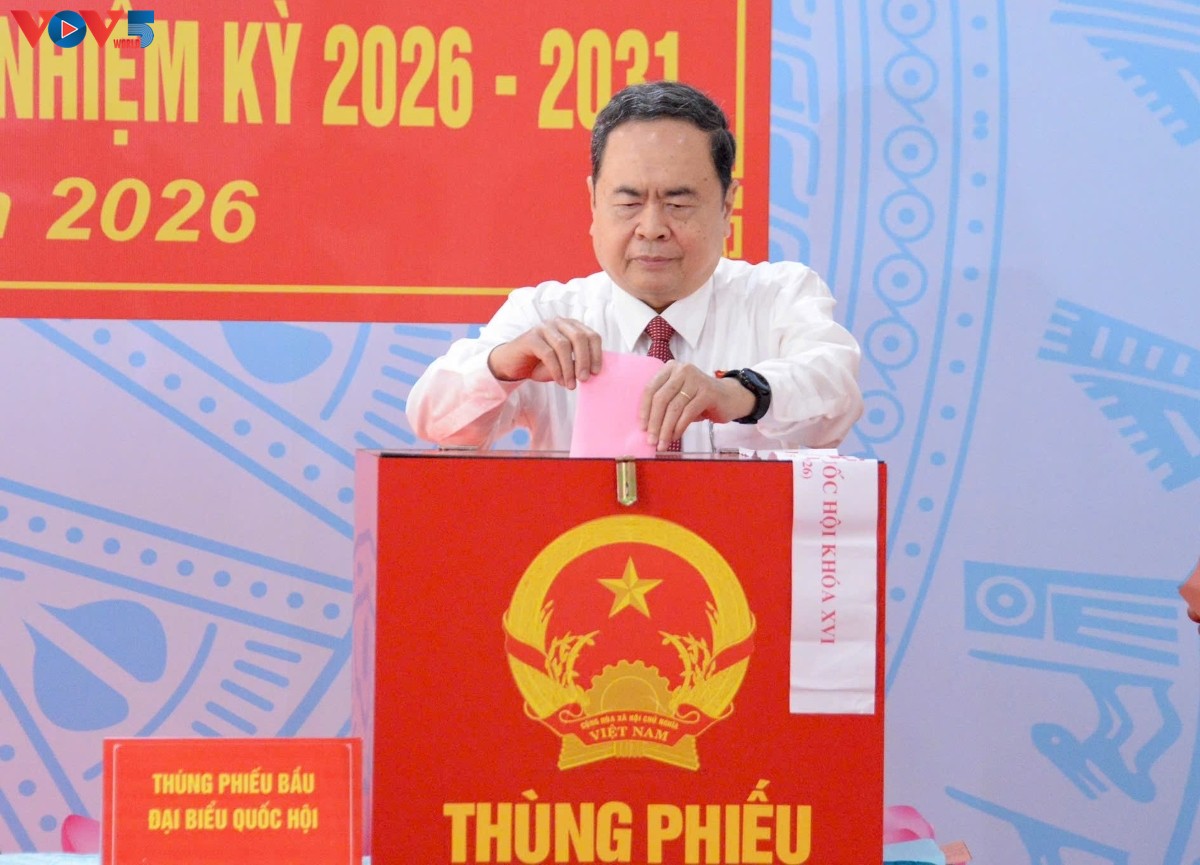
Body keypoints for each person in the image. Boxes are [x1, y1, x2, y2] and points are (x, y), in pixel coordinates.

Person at [407, 80, 863, 453]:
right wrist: (502, 366)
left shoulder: (780, 295)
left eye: (678, 203)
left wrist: (736, 393)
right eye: (628, 202)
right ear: (593, 202)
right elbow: (433, 419)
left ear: (727, 205)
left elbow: (836, 389)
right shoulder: (547, 314)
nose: (652, 228)